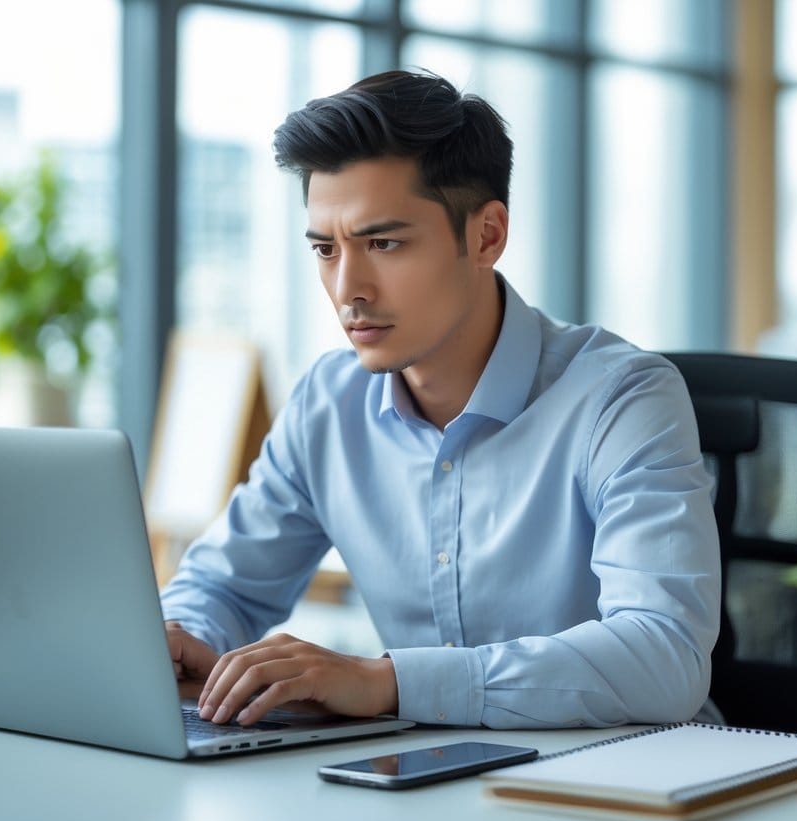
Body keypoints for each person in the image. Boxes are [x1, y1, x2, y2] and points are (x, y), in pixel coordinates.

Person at [161, 69, 720, 730]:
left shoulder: (621, 398)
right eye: (324, 249)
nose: (348, 289)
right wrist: (184, 636)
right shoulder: (328, 402)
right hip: (421, 779)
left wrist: (388, 681)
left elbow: (663, 657)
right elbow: (223, 585)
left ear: (485, 236)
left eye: (383, 243)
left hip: (619, 786)